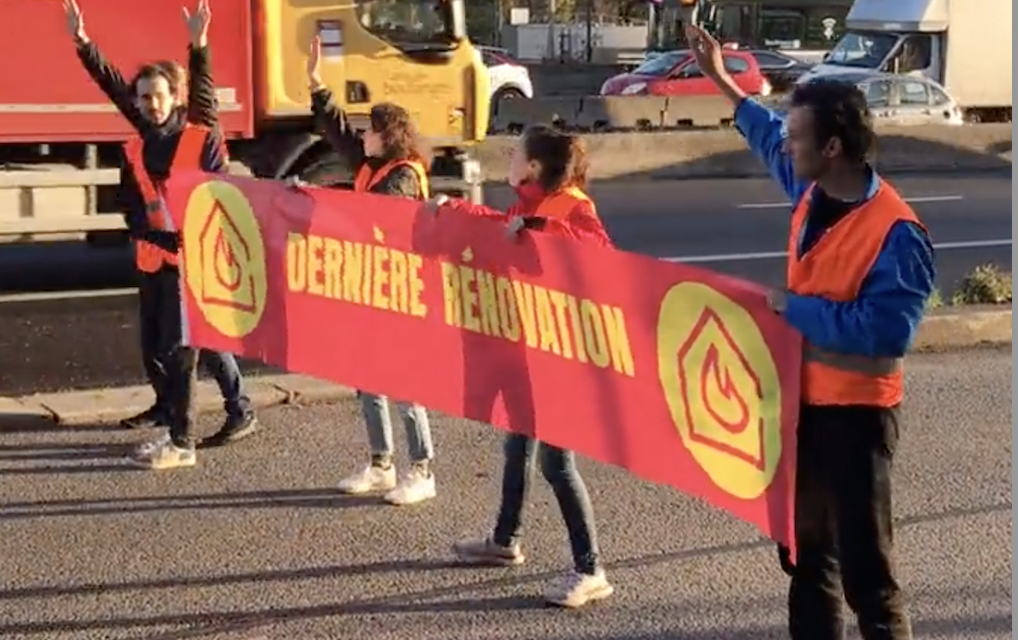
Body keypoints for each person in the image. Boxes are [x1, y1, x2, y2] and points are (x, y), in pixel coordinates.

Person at [686, 25, 935, 640]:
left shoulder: (897, 233)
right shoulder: (811, 187)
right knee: (805, 560)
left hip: (857, 421)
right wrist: (723, 80)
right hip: (802, 413)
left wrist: (788, 309)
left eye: (799, 136)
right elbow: (768, 134)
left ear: (831, 146)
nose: (787, 144)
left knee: (868, 577)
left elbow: (883, 335)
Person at [427, 125, 613, 608]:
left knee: (557, 463)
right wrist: (456, 210)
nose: (508, 157)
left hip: (563, 355)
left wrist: (539, 230)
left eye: (516, 152)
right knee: (517, 446)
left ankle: (591, 569)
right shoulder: (528, 204)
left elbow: (598, 257)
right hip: (527, 350)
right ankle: (505, 540)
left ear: (533, 166)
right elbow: (496, 226)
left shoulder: (571, 206)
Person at [64, 0, 258, 448]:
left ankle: (235, 409)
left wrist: (199, 45)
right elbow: (114, 86)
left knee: (196, 340)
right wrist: (84, 43)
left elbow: (204, 90)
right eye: (145, 96)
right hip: (155, 252)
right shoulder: (144, 130)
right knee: (157, 341)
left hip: (194, 253)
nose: (151, 104)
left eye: (159, 95)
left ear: (176, 98)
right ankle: (167, 405)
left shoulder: (195, 130)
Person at [305, 35, 437, 505]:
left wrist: (324, 200)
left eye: (370, 130)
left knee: (403, 381)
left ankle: (421, 470)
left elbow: (377, 214)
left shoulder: (404, 175)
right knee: (368, 376)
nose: (362, 135)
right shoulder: (374, 165)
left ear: (389, 135)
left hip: (400, 290)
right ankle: (382, 464)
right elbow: (339, 131)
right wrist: (317, 85)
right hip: (368, 283)